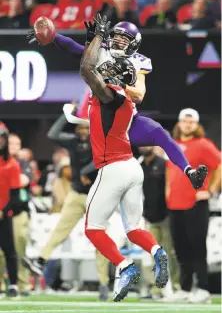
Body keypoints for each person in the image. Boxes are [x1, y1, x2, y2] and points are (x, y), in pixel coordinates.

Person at [27, 16, 208, 192]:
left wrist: (120, 84)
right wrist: (53, 37)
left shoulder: (138, 61)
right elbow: (74, 48)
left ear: (134, 43)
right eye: (117, 36)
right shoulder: (101, 50)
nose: (118, 41)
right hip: (103, 114)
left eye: (124, 38)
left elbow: (139, 94)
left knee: (160, 133)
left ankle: (189, 172)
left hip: (127, 119)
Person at [80, 14, 169, 302]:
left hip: (113, 167)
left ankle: (124, 266)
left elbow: (86, 69)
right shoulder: (124, 101)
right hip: (132, 166)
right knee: (133, 229)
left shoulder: (109, 95)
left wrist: (95, 41)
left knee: (93, 229)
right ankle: (157, 251)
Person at [22, 113, 110, 301]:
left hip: (96, 194)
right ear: (76, 129)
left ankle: (103, 283)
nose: (84, 131)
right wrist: (66, 115)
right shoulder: (72, 141)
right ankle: (41, 260)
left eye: (87, 127)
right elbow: (53, 134)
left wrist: (87, 171)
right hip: (76, 193)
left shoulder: (101, 140)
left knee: (100, 239)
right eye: (80, 127)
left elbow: (106, 158)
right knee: (60, 230)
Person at [164, 108, 221, 303]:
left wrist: (211, 190)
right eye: (184, 121)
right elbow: (170, 170)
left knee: (197, 247)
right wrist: (168, 190)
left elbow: (220, 165)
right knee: (180, 248)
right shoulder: (172, 145)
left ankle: (203, 289)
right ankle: (186, 289)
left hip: (196, 204)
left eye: (192, 121)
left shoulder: (204, 144)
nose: (188, 124)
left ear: (196, 125)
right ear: (179, 123)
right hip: (175, 205)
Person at [138, 146, 179, 299]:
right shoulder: (139, 165)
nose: (144, 147)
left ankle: (174, 286)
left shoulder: (164, 164)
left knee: (169, 253)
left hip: (166, 215)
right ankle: (156, 289)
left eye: (148, 144)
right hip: (149, 216)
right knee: (151, 254)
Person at [0, 123, 21, 298]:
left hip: (4, 214)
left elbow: (15, 194)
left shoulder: (12, 164)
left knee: (9, 250)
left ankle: (13, 284)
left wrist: (4, 210)